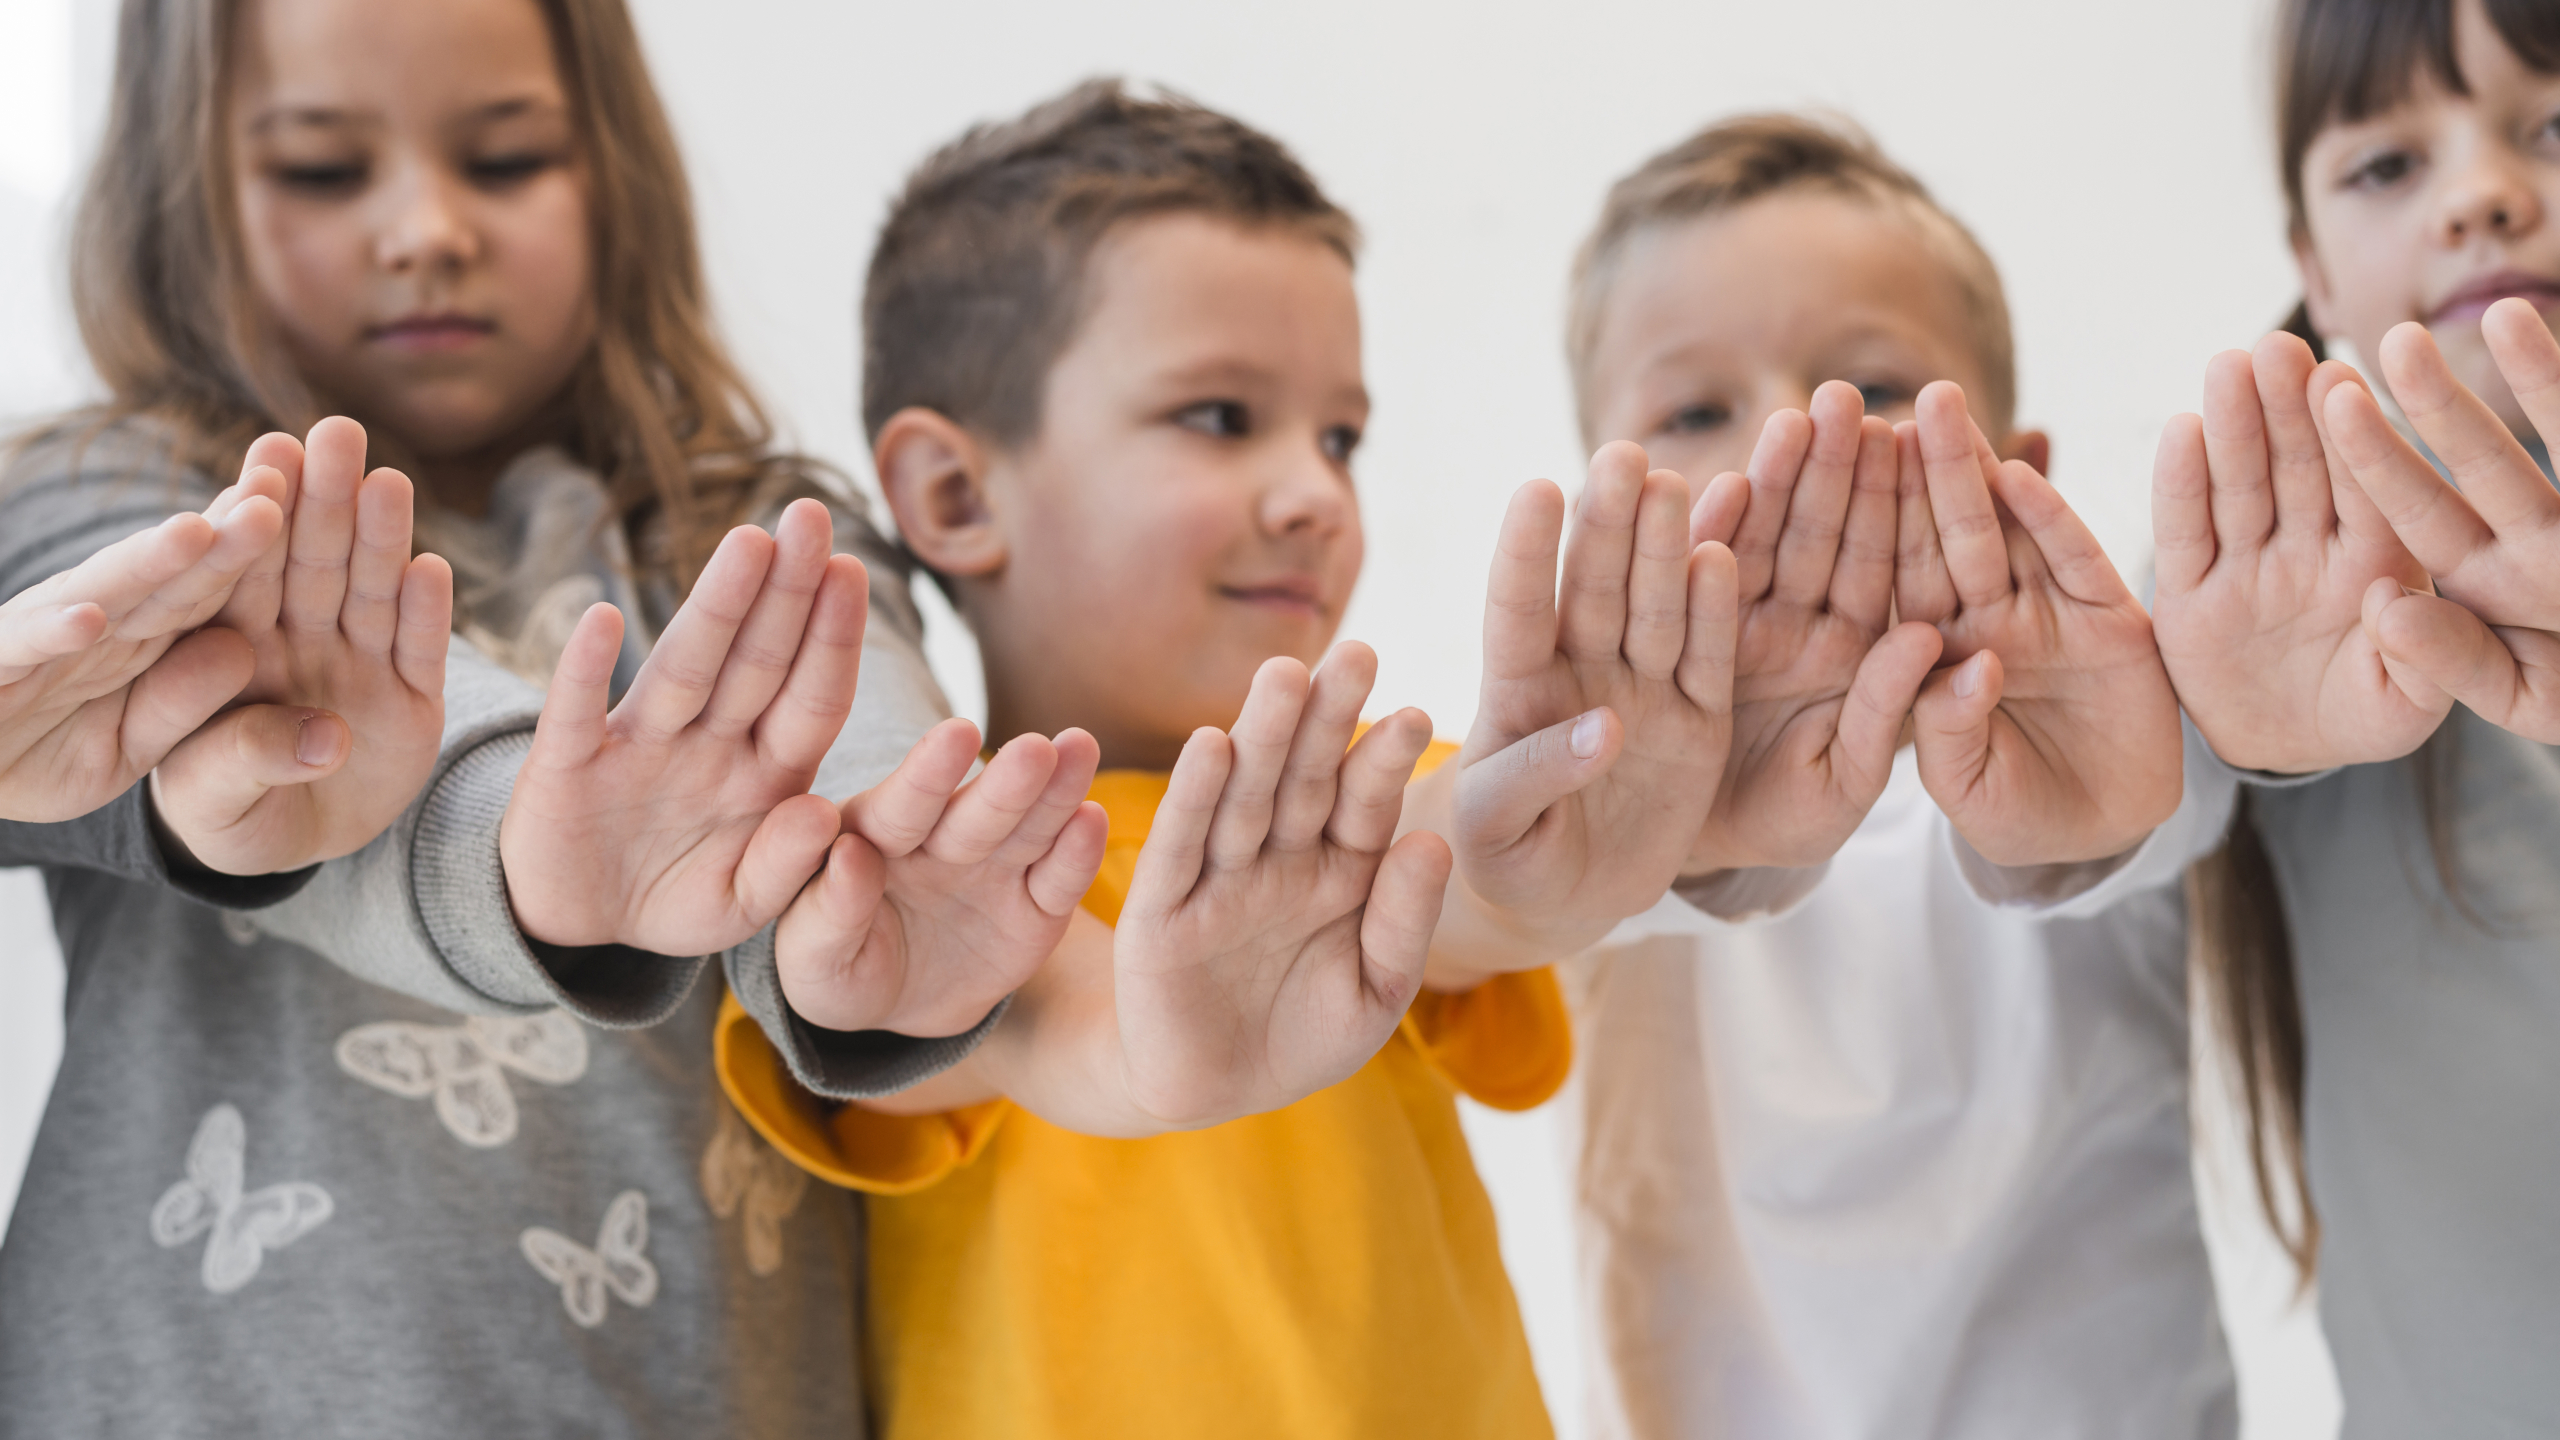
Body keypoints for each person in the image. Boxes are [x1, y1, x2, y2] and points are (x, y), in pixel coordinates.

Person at [0, 0, 1099, 1432]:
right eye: (324, 170)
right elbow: (254, 728)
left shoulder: (757, 524)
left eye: (506, 158)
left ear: (613, 173)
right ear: (180, 190)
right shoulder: (99, 493)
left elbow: (873, 794)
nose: (427, 229)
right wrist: (528, 843)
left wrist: (885, 921)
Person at [713, 79, 1743, 1440]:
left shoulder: (1357, 801)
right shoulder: (917, 879)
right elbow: (900, 1035)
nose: (1317, 491)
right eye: (1218, 417)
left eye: (1340, 436)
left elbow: (1469, 883)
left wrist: (1555, 832)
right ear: (956, 497)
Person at [1555, 114, 2234, 1439]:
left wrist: (2072, 818)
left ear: (2022, 481)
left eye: (1867, 391)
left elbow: (2140, 819)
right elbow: (1522, 880)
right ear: (1606, 507)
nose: (1785, 449)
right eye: (1695, 410)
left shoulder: (2115, 734)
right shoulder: (1582, 792)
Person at [2159, 0, 2560, 1429]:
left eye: (2553, 126)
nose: (2486, 194)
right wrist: (2243, 719)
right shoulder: (2292, 571)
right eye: (2387, 165)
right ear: (2313, 273)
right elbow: (2118, 798)